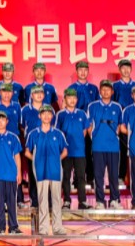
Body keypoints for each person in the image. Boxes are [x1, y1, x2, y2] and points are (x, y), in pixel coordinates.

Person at [25, 105, 68, 235]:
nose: (46, 116)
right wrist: (36, 160)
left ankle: (57, 227)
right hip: (40, 171)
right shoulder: (34, 134)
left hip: (55, 171)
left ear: (52, 116)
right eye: (44, 113)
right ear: (39, 116)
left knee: (56, 199)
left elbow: (65, 151)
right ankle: (43, 228)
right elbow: (27, 152)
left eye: (49, 114)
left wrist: (57, 159)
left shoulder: (58, 133)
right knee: (42, 200)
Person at [0, 111, 23, 235]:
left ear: (7, 121)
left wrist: (19, 172)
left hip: (11, 175)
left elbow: (17, 156)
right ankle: (0, 227)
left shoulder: (13, 137)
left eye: (2, 119)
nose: (0, 122)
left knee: (12, 202)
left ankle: (13, 227)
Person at [88, 80, 123, 209]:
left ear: (112, 92)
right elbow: (89, 125)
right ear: (100, 91)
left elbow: (120, 125)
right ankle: (100, 201)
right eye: (103, 89)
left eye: (108, 89)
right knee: (99, 176)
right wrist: (94, 137)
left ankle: (115, 200)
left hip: (113, 147)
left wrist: (115, 136)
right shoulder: (92, 106)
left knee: (114, 175)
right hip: (98, 146)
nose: (106, 92)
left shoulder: (117, 107)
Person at [55, 88, 91, 210]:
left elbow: (84, 131)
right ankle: (66, 201)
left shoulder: (82, 114)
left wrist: (79, 142)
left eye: (74, 98)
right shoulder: (60, 115)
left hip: (79, 151)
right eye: (69, 98)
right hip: (66, 152)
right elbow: (57, 133)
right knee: (66, 177)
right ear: (65, 99)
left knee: (81, 177)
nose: (72, 100)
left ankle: (82, 201)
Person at [20, 85, 50, 209]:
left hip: (47, 145)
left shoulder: (48, 109)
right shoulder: (25, 110)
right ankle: (35, 200)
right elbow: (22, 126)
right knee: (33, 174)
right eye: (36, 93)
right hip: (32, 145)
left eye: (41, 93)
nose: (39, 95)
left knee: (47, 173)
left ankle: (47, 200)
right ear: (31, 95)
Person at [113, 59, 135, 187]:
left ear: (131, 69)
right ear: (119, 70)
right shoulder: (115, 86)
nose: (126, 70)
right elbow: (113, 106)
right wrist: (117, 124)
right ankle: (121, 176)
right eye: (123, 68)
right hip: (121, 123)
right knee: (122, 150)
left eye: (128, 67)